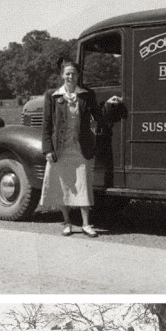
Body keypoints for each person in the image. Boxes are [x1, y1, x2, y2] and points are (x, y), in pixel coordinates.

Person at [39, 59, 123, 237]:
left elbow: (98, 117)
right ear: (62, 75)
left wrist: (108, 105)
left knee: (83, 185)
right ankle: (67, 222)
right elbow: (47, 125)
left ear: (78, 76)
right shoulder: (52, 95)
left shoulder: (86, 95)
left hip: (80, 148)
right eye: (67, 73)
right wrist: (47, 150)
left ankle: (86, 224)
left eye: (74, 73)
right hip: (59, 149)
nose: (71, 76)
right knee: (61, 186)